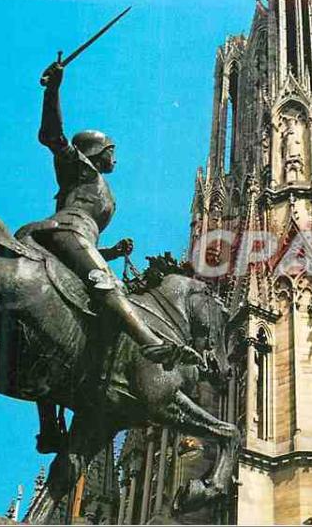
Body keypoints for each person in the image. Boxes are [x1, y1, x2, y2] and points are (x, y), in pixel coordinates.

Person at [27, 61, 203, 452]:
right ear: (96, 151)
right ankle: (148, 342)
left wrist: (111, 250)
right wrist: (52, 90)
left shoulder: (100, 186)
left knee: (56, 329)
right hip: (61, 233)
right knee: (108, 286)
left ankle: (49, 427)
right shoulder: (80, 168)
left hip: (75, 241)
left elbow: (86, 246)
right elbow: (51, 135)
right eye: (111, 150)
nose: (115, 156)